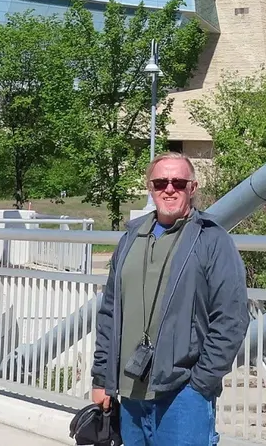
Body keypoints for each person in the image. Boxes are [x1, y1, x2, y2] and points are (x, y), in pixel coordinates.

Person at [91, 152, 248, 446]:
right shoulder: (130, 239)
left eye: (178, 181)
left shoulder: (212, 240)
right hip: (131, 394)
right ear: (150, 187)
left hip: (182, 395)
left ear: (193, 187)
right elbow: (109, 313)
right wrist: (101, 378)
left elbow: (232, 318)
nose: (169, 188)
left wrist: (200, 383)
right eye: (161, 182)